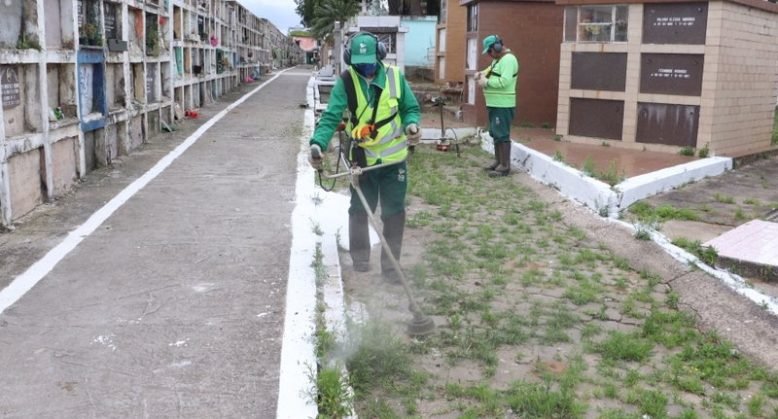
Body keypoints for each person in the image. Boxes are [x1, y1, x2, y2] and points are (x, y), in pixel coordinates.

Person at [309, 32, 422, 282]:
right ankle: (360, 258)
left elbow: (410, 108)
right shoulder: (347, 82)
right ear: (351, 61)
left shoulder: (394, 77)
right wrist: (317, 144)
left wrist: (412, 125)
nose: (366, 69)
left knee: (394, 211)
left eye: (370, 63)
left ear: (380, 56)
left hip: (394, 160)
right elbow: (331, 117)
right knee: (360, 208)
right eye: (360, 64)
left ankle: (391, 268)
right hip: (363, 159)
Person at [476, 34, 519, 177]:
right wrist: (480, 74)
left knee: (502, 134)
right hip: (494, 103)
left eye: (490, 51)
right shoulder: (498, 61)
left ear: (497, 47)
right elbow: (489, 71)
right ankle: (498, 161)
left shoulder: (508, 60)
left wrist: (487, 83)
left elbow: (505, 81)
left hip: (503, 104)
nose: (489, 54)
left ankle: (505, 166)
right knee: (495, 132)